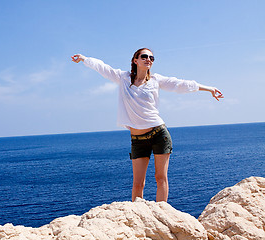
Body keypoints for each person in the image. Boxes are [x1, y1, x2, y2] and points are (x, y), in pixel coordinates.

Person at [71, 48, 223, 202]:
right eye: (144, 56)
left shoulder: (156, 80)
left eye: (151, 57)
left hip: (159, 134)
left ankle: (163, 214)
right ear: (135, 60)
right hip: (137, 139)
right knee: (138, 184)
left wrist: (209, 89)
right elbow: (102, 67)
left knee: (160, 178)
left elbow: (180, 84)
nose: (148, 59)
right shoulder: (123, 78)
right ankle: (137, 217)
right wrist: (84, 59)